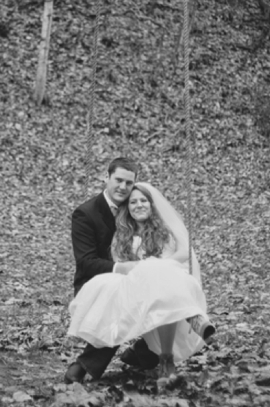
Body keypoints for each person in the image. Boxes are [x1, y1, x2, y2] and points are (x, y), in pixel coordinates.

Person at [67, 182, 214, 380]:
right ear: (128, 209)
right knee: (158, 283)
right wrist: (151, 268)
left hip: (168, 284)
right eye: (133, 202)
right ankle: (192, 321)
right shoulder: (122, 236)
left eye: (143, 200)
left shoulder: (165, 230)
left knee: (164, 287)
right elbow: (122, 265)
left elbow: (183, 254)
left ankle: (159, 356)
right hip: (136, 288)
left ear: (152, 205)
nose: (139, 205)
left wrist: (160, 266)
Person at [64, 157, 146, 384]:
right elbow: (86, 262)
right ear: (106, 178)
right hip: (94, 283)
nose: (123, 187)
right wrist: (123, 268)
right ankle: (85, 365)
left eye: (128, 183)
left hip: (134, 281)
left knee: (163, 294)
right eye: (118, 180)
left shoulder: (136, 208)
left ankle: (143, 354)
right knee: (120, 298)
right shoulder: (86, 213)